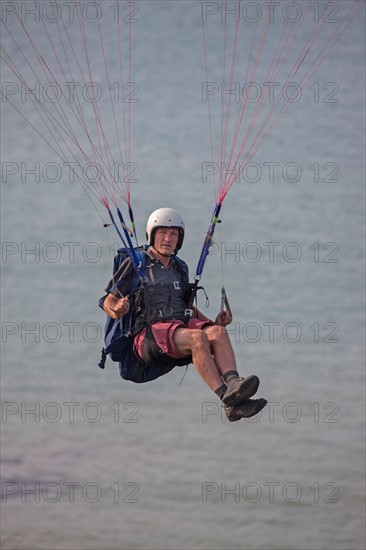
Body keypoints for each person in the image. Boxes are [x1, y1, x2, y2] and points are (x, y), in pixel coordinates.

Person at [101, 207, 267, 421]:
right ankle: (226, 398)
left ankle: (234, 388)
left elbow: (184, 305)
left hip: (176, 330)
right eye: (162, 233)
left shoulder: (180, 267)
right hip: (148, 337)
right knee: (197, 338)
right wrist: (116, 309)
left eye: (174, 234)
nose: (168, 238)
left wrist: (211, 323)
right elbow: (108, 300)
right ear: (152, 234)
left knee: (218, 333)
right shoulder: (136, 263)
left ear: (180, 239)